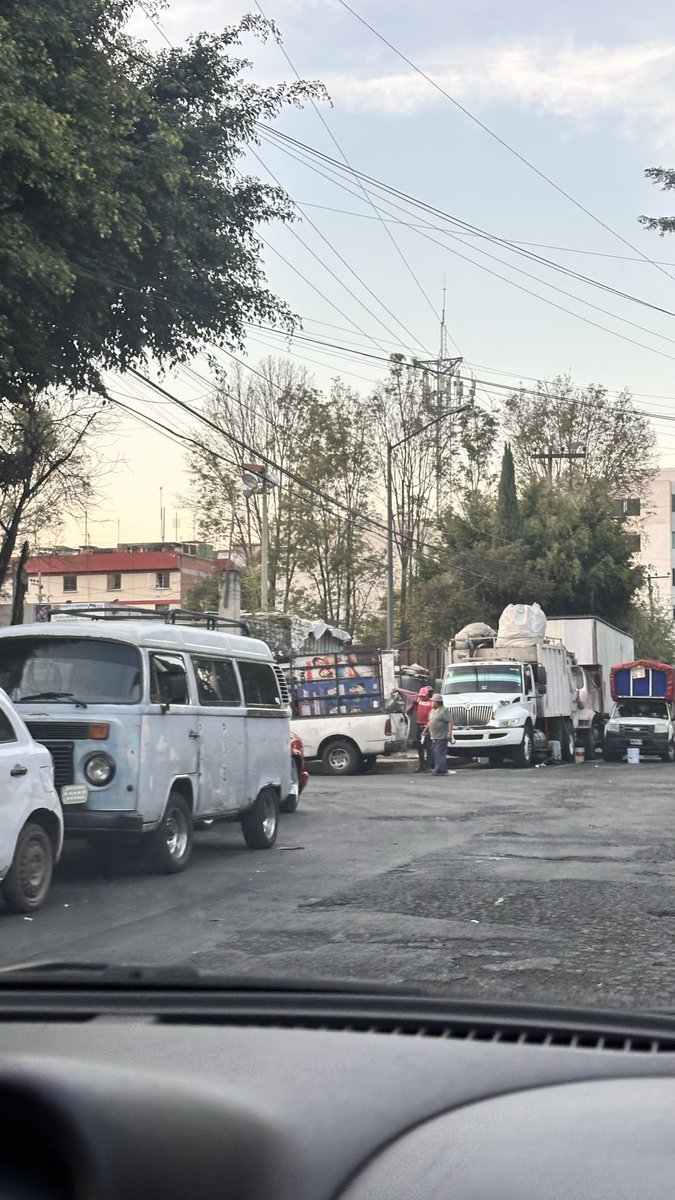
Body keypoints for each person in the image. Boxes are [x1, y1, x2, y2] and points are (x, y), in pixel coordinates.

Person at [427, 693, 454, 776]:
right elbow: (430, 722)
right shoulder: (432, 711)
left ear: (438, 702)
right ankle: (443, 769)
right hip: (434, 736)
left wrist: (449, 734)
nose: (431, 703)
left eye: (433, 701)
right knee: (435, 752)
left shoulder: (443, 710)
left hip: (441, 736)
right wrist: (424, 731)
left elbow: (449, 722)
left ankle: (439, 770)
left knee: (440, 753)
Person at [412, 685, 434, 772]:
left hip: (428, 726)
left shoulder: (432, 703)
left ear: (428, 695)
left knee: (429, 747)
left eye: (423, 696)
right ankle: (422, 765)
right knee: (419, 747)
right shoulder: (419, 700)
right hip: (419, 725)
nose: (422, 697)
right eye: (421, 696)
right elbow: (411, 695)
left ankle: (428, 766)